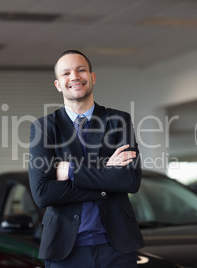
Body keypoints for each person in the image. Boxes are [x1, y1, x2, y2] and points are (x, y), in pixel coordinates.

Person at [28, 50, 144, 268]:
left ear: (92, 77)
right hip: (66, 250)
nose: (74, 77)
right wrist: (106, 173)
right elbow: (43, 193)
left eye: (81, 70)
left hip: (116, 247)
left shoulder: (118, 121)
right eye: (66, 73)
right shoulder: (44, 128)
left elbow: (130, 180)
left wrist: (71, 171)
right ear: (58, 84)